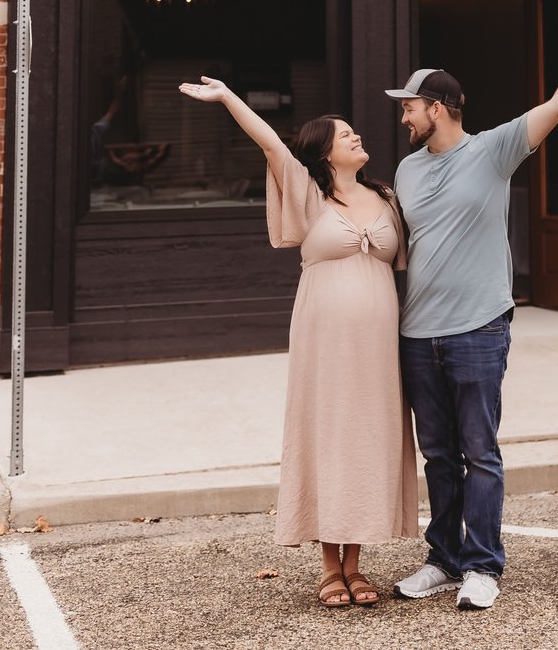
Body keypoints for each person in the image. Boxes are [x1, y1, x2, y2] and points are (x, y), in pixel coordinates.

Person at [386, 0, 558, 611]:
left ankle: (483, 565)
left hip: (478, 329)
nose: (404, 116)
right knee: (437, 456)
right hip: (418, 333)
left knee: (479, 453)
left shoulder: (494, 150)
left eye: (409, 106)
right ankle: (442, 560)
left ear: (437, 108)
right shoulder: (407, 170)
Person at [177, 77, 417, 607]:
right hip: (324, 341)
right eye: (346, 134)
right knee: (328, 434)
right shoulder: (309, 194)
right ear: (322, 150)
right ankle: (330, 567)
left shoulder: (385, 196)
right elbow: (269, 142)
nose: (357, 138)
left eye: (355, 132)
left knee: (366, 438)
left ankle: (357, 565)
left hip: (378, 346)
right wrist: (229, 98)